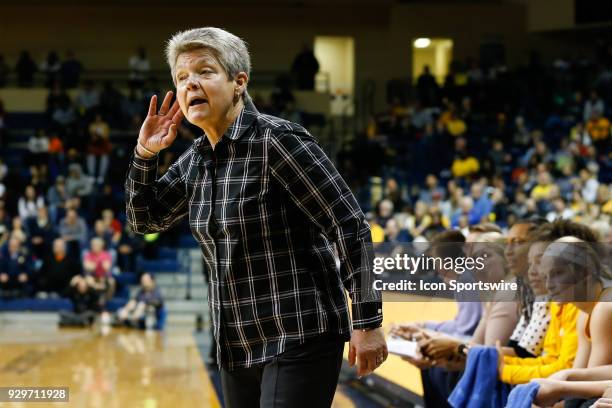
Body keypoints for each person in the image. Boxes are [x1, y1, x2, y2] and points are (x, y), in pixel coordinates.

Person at [125, 27, 386, 408]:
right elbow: (145, 219)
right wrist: (144, 155)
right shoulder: (195, 160)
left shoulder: (277, 141)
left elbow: (348, 224)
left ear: (238, 83)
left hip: (299, 333)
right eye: (182, 78)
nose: (191, 83)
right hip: (237, 346)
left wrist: (367, 320)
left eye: (205, 72)